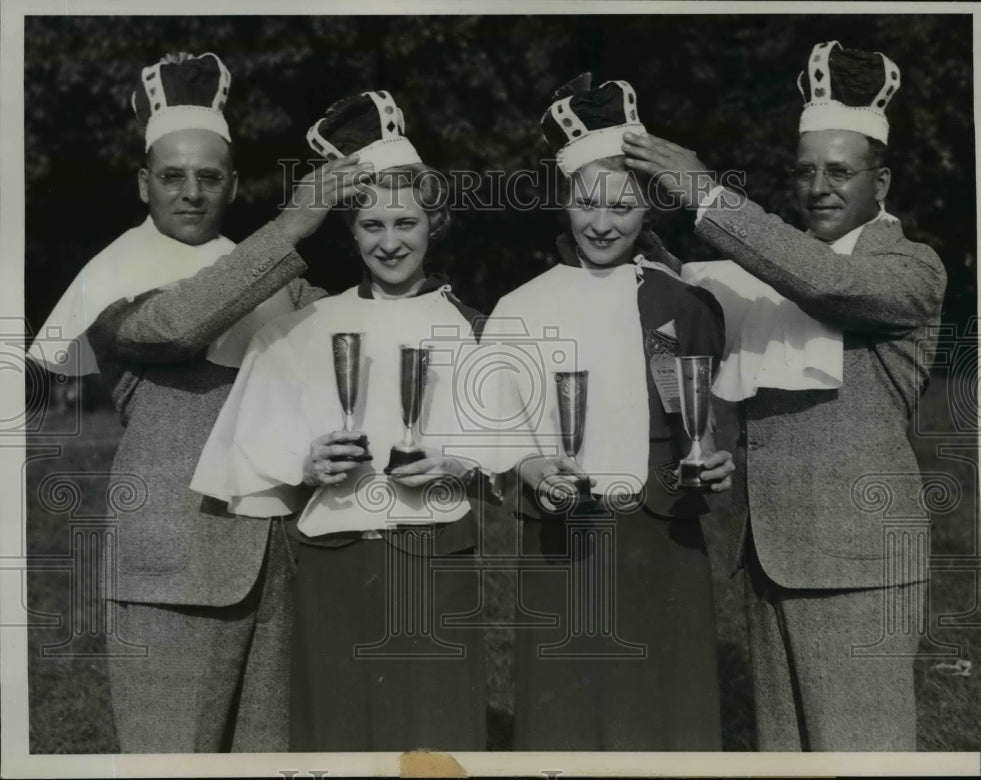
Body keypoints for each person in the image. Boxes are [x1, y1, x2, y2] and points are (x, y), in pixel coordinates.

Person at [27, 52, 371, 752]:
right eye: (173, 177)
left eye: (208, 178)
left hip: (273, 556)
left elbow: (362, 328)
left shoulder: (258, 268)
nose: (190, 193)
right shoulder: (117, 271)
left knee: (262, 761)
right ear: (143, 183)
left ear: (232, 185)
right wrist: (294, 224)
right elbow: (175, 324)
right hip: (173, 563)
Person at [622, 41, 947, 750]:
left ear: (881, 182)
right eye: (805, 173)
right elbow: (717, 295)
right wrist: (625, 230)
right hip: (768, 555)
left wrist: (705, 192)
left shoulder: (910, 267)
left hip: (857, 563)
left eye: (840, 172)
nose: (819, 187)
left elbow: (824, 282)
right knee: (787, 759)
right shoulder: (781, 263)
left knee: (862, 758)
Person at [190, 91, 489, 752]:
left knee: (437, 741)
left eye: (405, 224)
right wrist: (305, 463)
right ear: (350, 231)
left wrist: (459, 460)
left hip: (435, 557)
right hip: (335, 561)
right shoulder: (305, 330)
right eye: (371, 226)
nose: (389, 242)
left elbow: (508, 446)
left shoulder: (473, 329)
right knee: (340, 733)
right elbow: (254, 444)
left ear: (432, 223)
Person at [480, 75, 734, 751]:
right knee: (568, 717)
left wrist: (708, 459)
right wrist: (533, 467)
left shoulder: (679, 301)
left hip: (660, 535)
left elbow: (701, 420)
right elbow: (496, 428)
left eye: (622, 207)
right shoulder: (522, 305)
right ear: (565, 198)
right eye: (587, 203)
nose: (601, 223)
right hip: (561, 538)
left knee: (664, 714)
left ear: (649, 207)